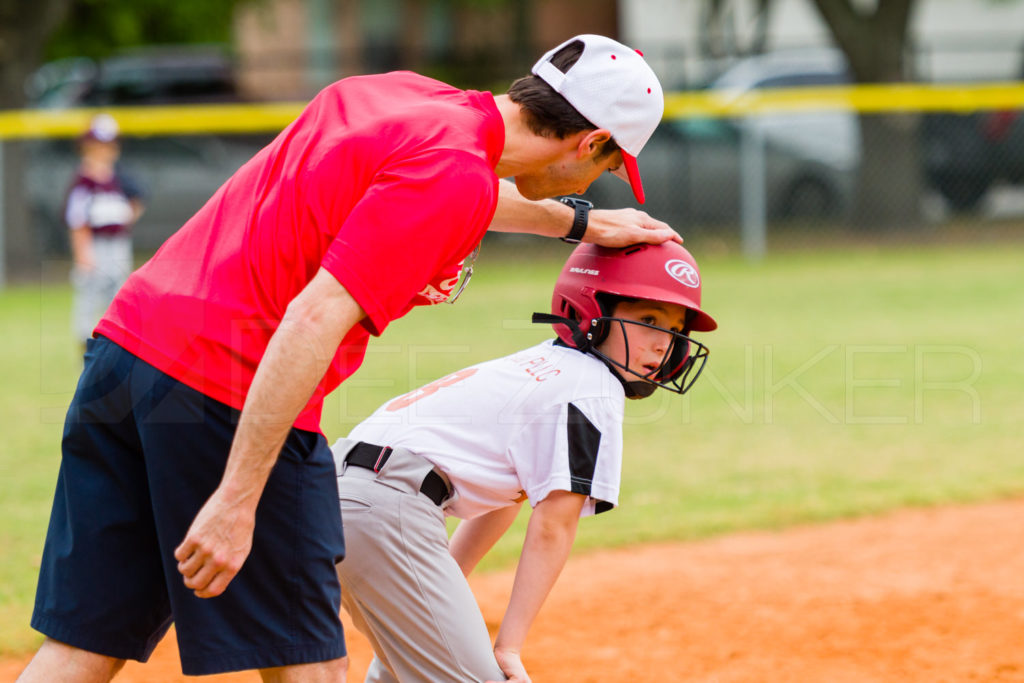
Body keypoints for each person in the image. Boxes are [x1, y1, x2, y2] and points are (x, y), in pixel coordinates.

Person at [20, 34, 676, 683]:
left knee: (83, 647)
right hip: (225, 384)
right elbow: (315, 314)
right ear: (590, 143)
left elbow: (443, 187)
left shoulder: (403, 95)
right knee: (315, 663)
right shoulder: (454, 177)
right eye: (607, 168)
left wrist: (579, 222)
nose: (599, 182)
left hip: (128, 349)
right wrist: (238, 496)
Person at [332, 240, 717, 683]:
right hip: (386, 509)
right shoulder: (593, 386)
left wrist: (439, 585)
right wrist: (509, 645)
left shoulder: (541, 365)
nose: (662, 343)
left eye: (675, 327)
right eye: (648, 320)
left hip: (342, 493)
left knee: (401, 673)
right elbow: (555, 523)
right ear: (593, 310)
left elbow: (504, 499)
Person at [64, 114, 145, 352]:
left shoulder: (120, 179)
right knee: (90, 295)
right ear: (86, 147)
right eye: (99, 146)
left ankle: (113, 345)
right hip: (95, 245)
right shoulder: (83, 182)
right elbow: (77, 221)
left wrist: (125, 217)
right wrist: (83, 253)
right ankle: (85, 345)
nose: (105, 151)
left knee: (117, 294)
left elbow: (138, 199)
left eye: (110, 146)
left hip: (118, 244)